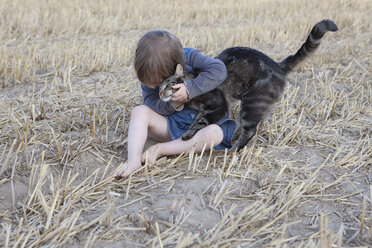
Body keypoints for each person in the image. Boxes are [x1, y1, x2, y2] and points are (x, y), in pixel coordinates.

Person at [115, 30, 236, 179]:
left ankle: (161, 149)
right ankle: (133, 161)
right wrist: (173, 105)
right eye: (149, 82)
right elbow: (150, 103)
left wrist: (190, 89)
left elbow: (219, 70)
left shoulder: (190, 57)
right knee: (139, 112)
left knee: (215, 133)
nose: (154, 85)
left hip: (202, 127)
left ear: (174, 66)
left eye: (158, 81)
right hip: (171, 125)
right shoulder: (148, 75)